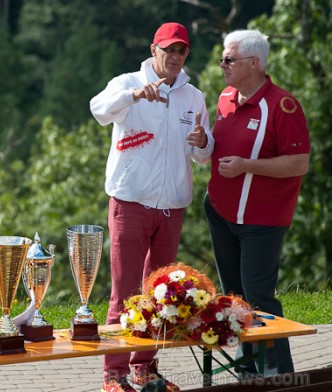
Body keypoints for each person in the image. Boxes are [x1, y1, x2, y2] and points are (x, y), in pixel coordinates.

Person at [90, 22, 212, 392]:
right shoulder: (127, 81)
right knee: (124, 292)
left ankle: (144, 367)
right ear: (153, 50)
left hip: (172, 208)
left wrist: (203, 140)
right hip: (130, 202)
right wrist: (133, 97)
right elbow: (98, 110)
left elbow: (203, 157)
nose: (175, 57)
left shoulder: (194, 97)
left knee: (160, 295)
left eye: (181, 51)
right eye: (168, 50)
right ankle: (114, 374)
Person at [204, 29, 310, 377]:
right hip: (221, 213)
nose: (222, 65)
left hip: (262, 221)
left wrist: (247, 166)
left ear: (254, 62)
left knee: (258, 297)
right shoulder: (224, 97)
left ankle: (279, 374)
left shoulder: (282, 105)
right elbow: (218, 146)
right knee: (234, 298)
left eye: (229, 59)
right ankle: (247, 371)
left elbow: (299, 164)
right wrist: (202, 141)